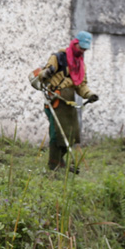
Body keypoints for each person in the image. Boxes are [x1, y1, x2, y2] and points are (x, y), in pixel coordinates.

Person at [30, 30, 100, 172]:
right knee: (57, 133)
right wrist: (47, 73)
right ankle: (53, 165)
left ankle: (59, 161)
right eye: (81, 48)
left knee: (71, 133)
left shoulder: (81, 65)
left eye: (85, 49)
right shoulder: (58, 58)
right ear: (75, 44)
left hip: (68, 102)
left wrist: (90, 94)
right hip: (54, 98)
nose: (82, 52)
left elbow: (81, 85)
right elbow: (43, 74)